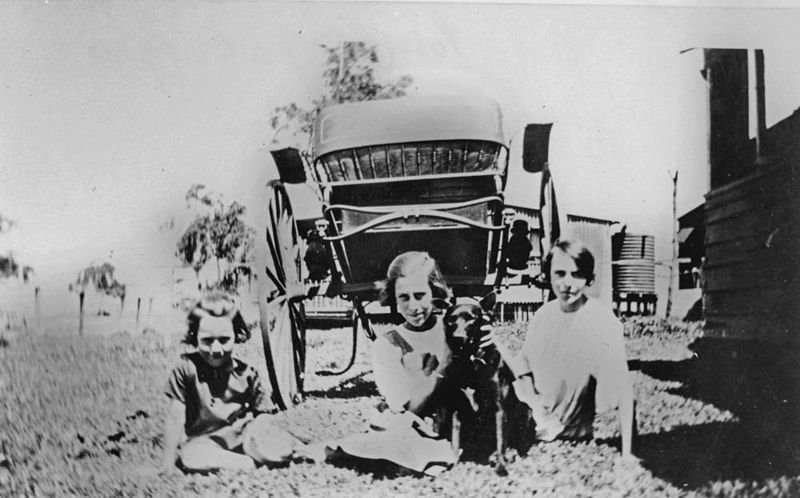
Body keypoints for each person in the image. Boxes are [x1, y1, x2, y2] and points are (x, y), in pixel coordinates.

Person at [324, 251, 461, 475]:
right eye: (404, 298)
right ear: (394, 299)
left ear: (434, 293)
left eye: (420, 295)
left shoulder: (454, 328)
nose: (414, 307)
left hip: (457, 419)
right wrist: (444, 366)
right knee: (398, 440)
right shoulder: (387, 345)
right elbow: (407, 406)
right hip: (414, 422)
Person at [500, 239, 636, 460]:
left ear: (589, 278)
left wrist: (628, 453)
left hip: (572, 431)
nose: (568, 283)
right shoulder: (543, 316)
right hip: (533, 424)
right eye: (560, 274)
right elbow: (521, 371)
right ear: (548, 276)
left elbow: (624, 389)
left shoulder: (601, 319)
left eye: (577, 274)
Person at [159, 291, 313, 473]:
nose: (216, 349)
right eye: (207, 341)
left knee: (273, 444)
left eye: (224, 340)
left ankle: (286, 452)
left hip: (246, 436)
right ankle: (247, 463)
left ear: (237, 334)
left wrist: (264, 431)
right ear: (194, 337)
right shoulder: (185, 370)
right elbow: (175, 417)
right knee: (191, 456)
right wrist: (167, 462)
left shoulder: (247, 373)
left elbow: (264, 414)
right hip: (206, 441)